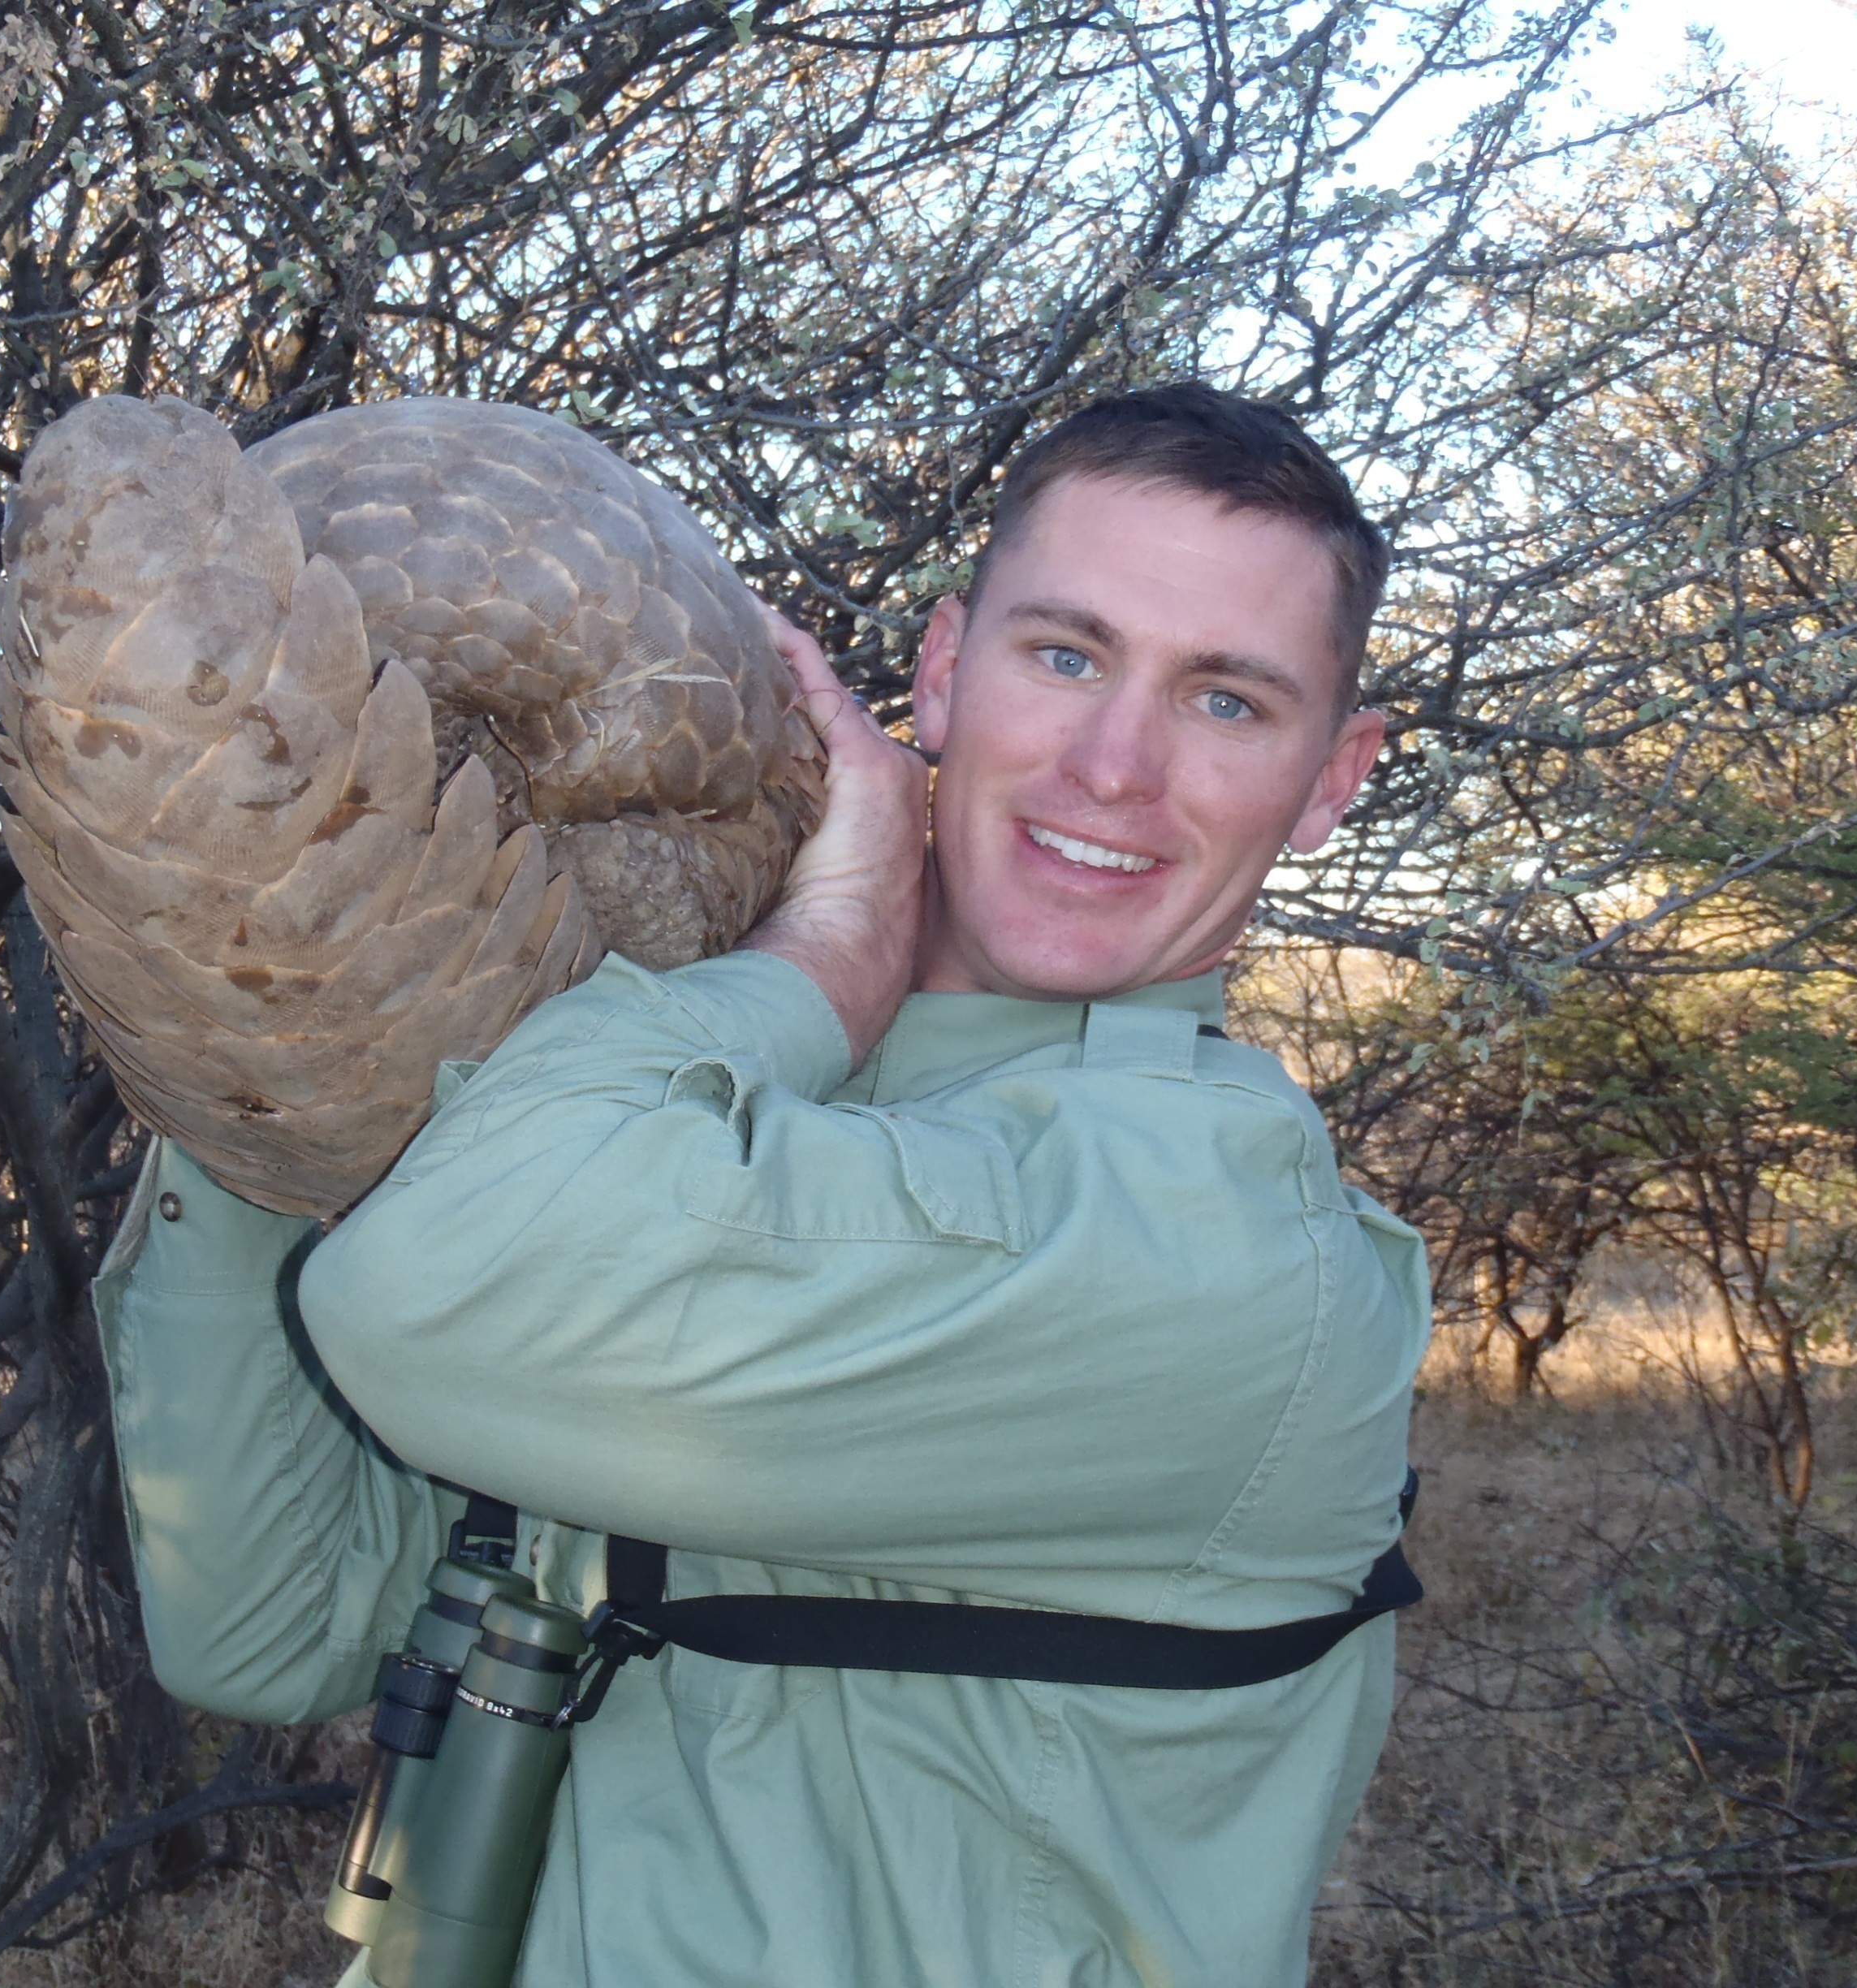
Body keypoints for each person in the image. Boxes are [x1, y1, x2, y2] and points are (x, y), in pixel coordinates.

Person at [93, 382, 1431, 1986]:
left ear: (1336, 773)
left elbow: (423, 1291)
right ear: (945, 668)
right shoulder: (672, 1097)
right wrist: (268, 984)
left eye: (1227, 703)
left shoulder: (1228, 1270)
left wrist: (809, 964)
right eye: (1063, 657)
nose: (1113, 768)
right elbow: (273, 1625)